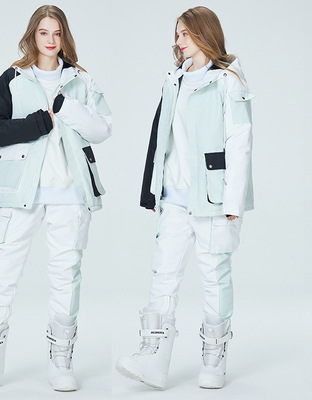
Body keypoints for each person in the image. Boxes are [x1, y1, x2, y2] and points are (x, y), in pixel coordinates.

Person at [0, 5, 111, 394]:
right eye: (44, 32)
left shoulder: (81, 80)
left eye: (57, 32)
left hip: (71, 192)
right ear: (33, 35)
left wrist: (67, 108)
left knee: (66, 274)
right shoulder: (13, 78)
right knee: (2, 271)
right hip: (20, 191)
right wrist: (38, 123)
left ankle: (61, 358)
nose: (50, 39)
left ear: (64, 37)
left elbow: (102, 129)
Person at [116, 6, 254, 390]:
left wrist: (233, 203)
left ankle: (214, 358)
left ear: (204, 33)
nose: (178, 42)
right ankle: (152, 358)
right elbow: (162, 137)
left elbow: (239, 142)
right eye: (176, 35)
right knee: (163, 273)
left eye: (185, 34)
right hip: (174, 197)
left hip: (213, 200)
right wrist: (153, 188)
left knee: (214, 277)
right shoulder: (174, 79)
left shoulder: (228, 80)